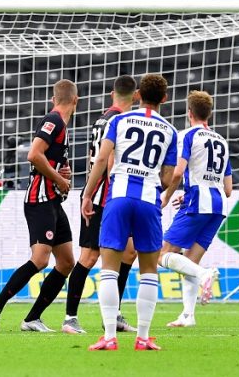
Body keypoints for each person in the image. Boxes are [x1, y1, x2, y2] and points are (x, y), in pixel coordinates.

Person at [81, 74, 177, 351]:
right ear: (164, 99)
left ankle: (110, 336)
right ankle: (143, 337)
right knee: (148, 270)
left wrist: (88, 194)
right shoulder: (169, 130)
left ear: (137, 96)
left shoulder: (119, 121)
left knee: (109, 267)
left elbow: (101, 159)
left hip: (118, 197)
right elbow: (168, 178)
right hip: (148, 200)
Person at [0, 79, 78, 332]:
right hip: (39, 199)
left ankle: (32, 318)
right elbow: (34, 154)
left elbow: (48, 159)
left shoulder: (61, 125)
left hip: (53, 201)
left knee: (67, 262)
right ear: (75, 101)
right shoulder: (54, 121)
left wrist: (61, 171)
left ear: (53, 98)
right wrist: (58, 178)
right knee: (40, 259)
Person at [63, 75, 139, 335]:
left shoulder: (101, 120)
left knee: (129, 252)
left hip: (105, 194)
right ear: (136, 96)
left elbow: (91, 157)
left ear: (111, 94)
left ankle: (114, 313)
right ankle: (69, 318)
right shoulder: (121, 121)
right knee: (89, 256)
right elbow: (106, 161)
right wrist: (91, 193)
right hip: (104, 197)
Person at [158, 90, 228, 328]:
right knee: (189, 260)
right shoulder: (221, 140)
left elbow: (177, 171)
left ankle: (205, 275)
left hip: (197, 202)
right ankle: (188, 315)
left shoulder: (186, 135)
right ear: (209, 113)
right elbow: (228, 188)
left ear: (189, 113)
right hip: (218, 206)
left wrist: (167, 195)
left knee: (162, 254)